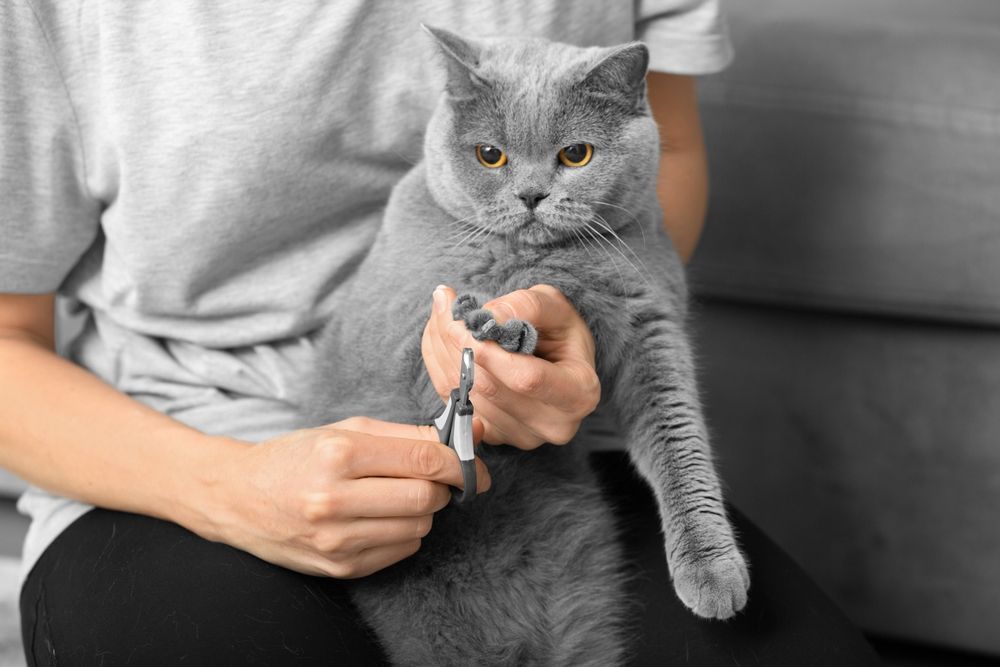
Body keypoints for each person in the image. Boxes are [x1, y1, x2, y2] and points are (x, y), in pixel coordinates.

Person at [1, 1, 880, 663]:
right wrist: (229, 489)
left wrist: (589, 324)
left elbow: (670, 147)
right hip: (191, 444)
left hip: (552, 446)